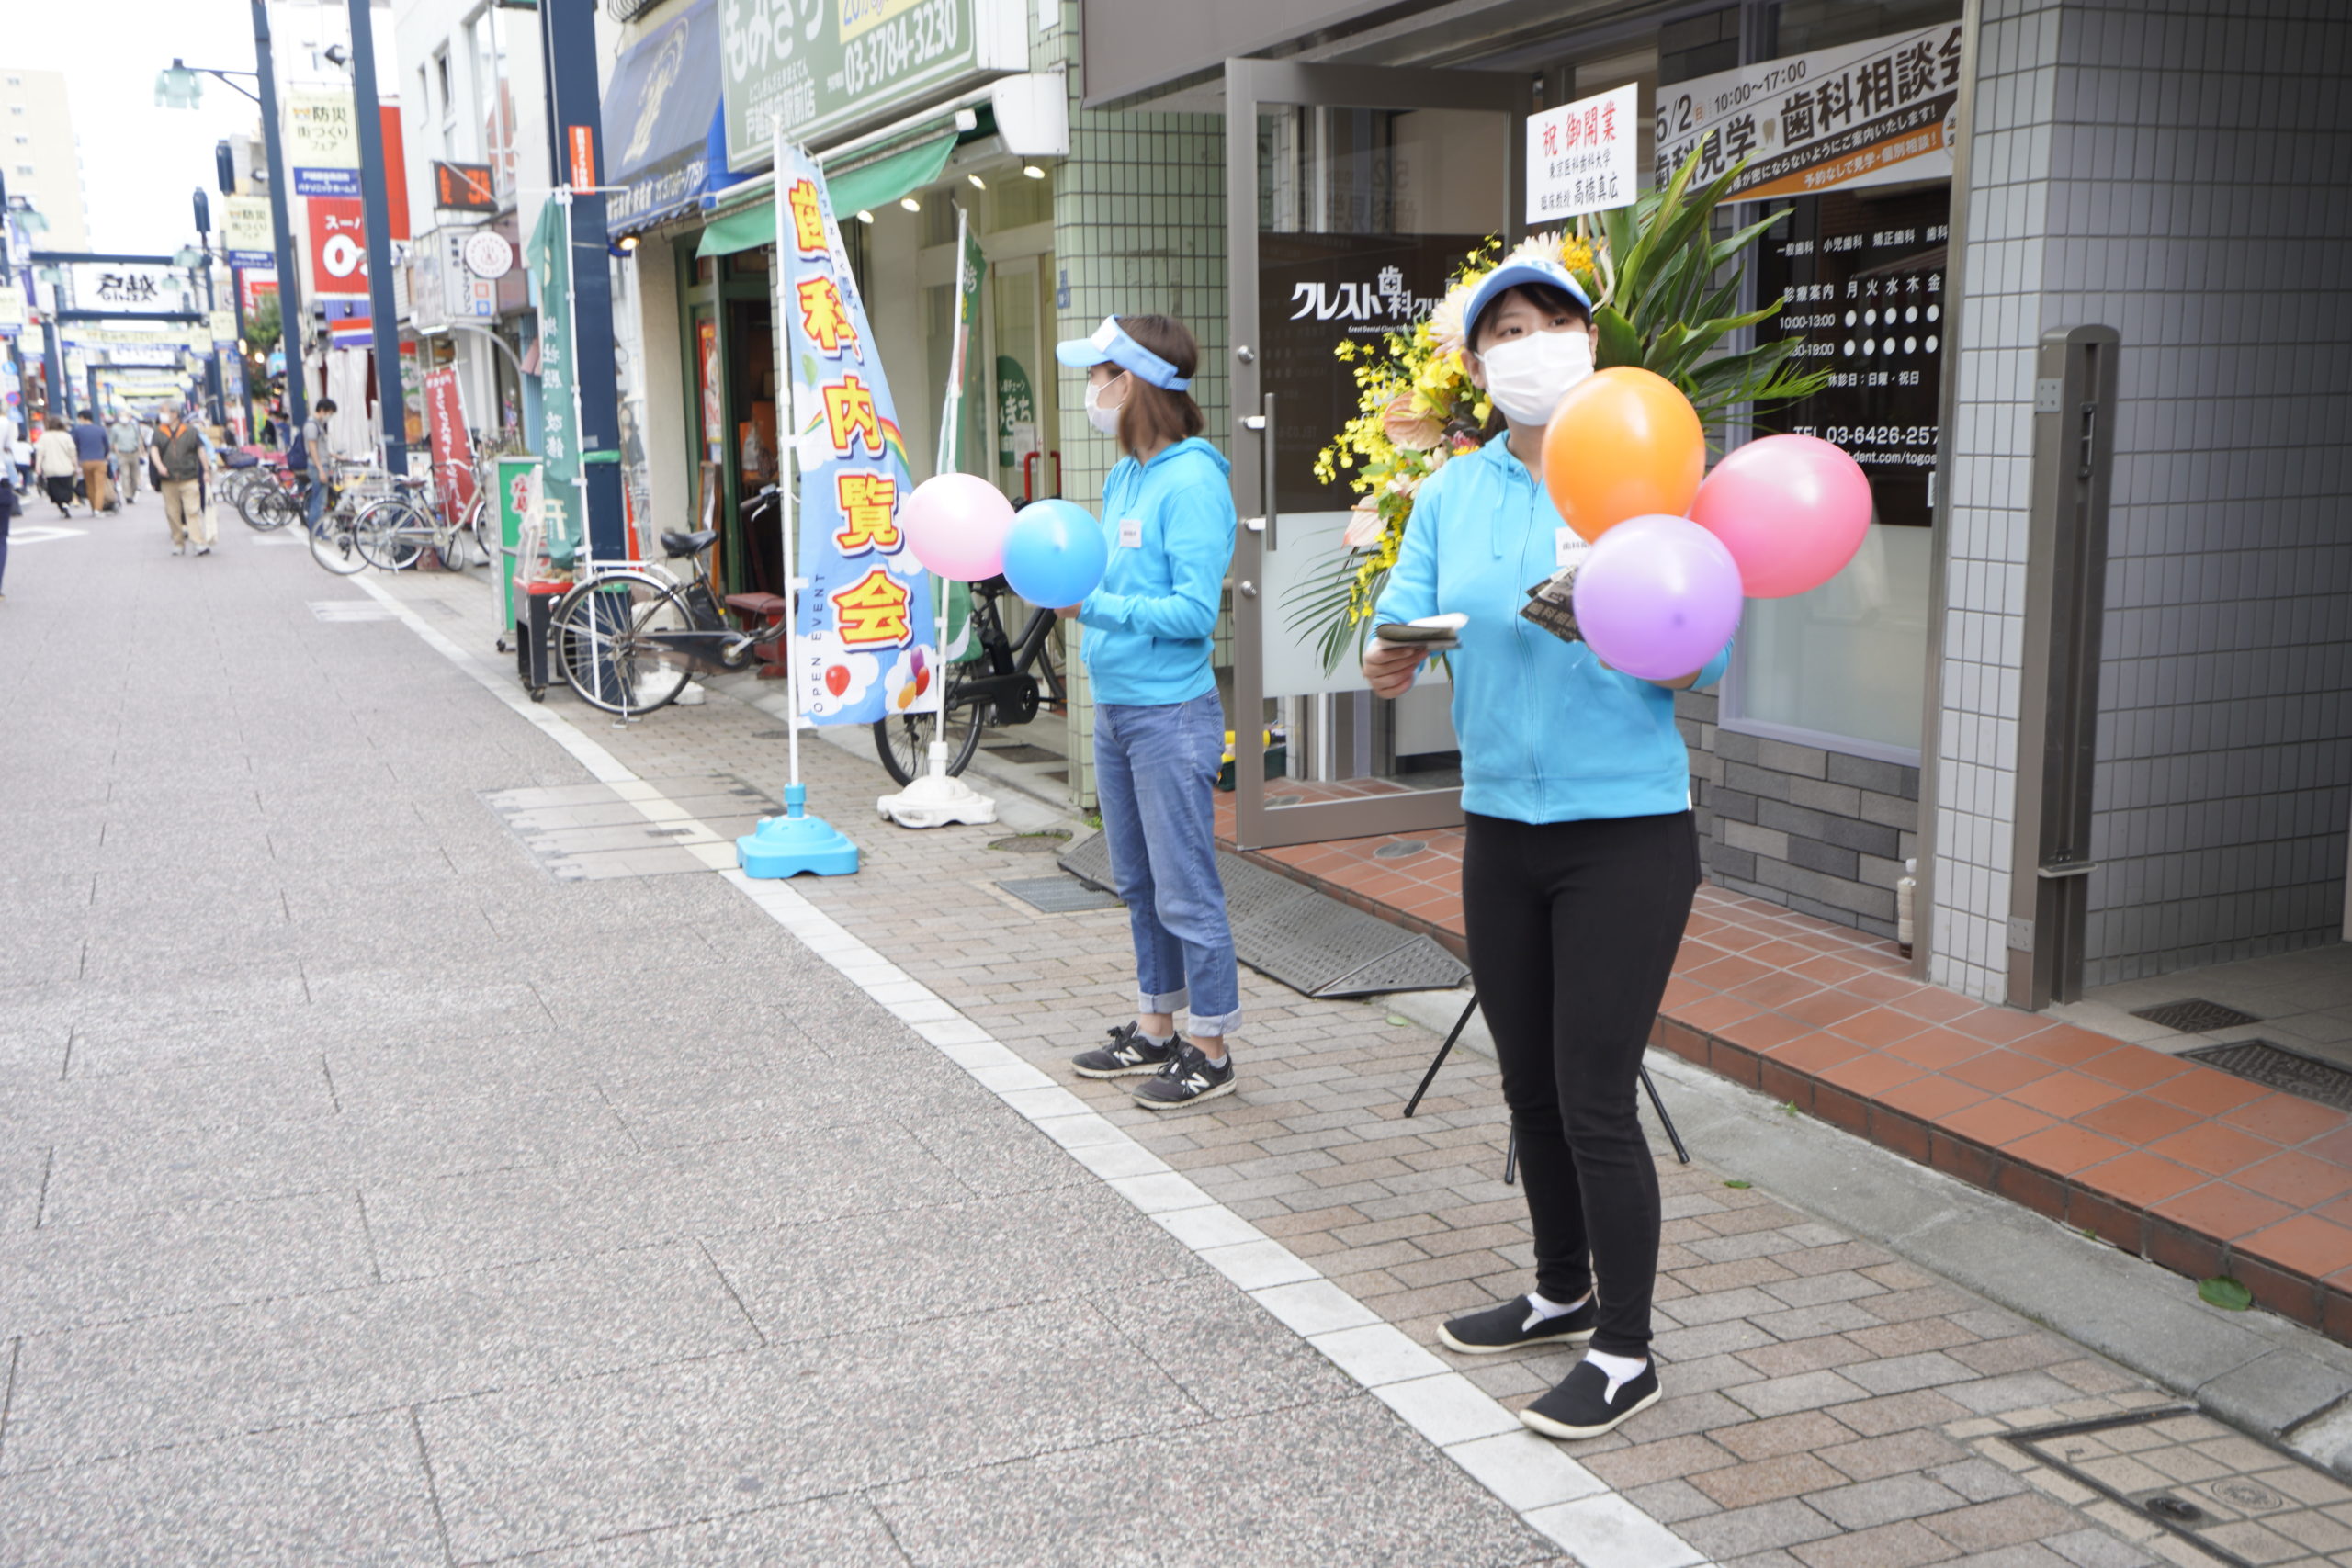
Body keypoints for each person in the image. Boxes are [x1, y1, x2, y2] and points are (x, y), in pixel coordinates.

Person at [1363, 257, 1731, 1443]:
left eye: (1553, 322)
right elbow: (1400, 614)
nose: (1534, 344)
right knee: (1526, 1080)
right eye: (1509, 329)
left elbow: (1704, 654)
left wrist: (1620, 622)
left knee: (1592, 1092)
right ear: (1477, 364)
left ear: (1588, 340)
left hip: (1624, 830)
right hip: (1498, 824)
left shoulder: (1645, 474)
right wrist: (1386, 655)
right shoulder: (1449, 492)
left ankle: (1625, 1350)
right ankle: (1559, 1287)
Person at [1054, 314, 1244, 1109]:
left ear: (1130, 384)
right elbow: (1114, 576)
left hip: (1170, 714)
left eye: (1098, 376)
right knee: (1137, 879)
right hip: (1118, 708)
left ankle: (1212, 1046)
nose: (1091, 390)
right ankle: (1157, 1026)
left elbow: (1195, 613)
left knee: (1185, 886)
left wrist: (1094, 607)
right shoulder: (1125, 475)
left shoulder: (1194, 482)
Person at [151, 406, 213, 556]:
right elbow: (154, 450)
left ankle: (198, 541)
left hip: (189, 477)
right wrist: (159, 466)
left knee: (192, 510)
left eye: (164, 411)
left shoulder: (190, 431)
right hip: (168, 479)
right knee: (172, 512)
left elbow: (201, 450)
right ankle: (178, 542)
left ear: (175, 413)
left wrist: (206, 470)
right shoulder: (158, 432)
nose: (162, 415)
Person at [300, 399, 337, 532]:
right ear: (322, 410)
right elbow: (313, 449)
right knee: (319, 502)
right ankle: (317, 532)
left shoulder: (317, 424)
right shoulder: (312, 426)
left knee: (319, 501)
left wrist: (334, 456)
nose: (329, 416)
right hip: (317, 467)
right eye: (329, 413)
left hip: (319, 466)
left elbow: (320, 448)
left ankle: (317, 531)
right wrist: (321, 470)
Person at [32, 420, 79, 517]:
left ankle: (61, 506)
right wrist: (76, 465)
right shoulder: (66, 436)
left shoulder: (44, 437)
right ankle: (66, 503)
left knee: (54, 489)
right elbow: (72, 452)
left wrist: (38, 466)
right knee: (67, 488)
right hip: (66, 467)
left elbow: (40, 453)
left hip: (50, 468)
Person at [71, 410, 112, 514]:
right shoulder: (100, 430)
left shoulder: (78, 431)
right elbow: (107, 446)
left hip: (85, 461)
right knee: (100, 487)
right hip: (99, 461)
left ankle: (93, 507)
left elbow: (75, 446)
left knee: (90, 486)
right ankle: (98, 509)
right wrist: (104, 455)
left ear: (82, 418)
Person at [109, 410, 146, 504]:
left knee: (134, 476)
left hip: (134, 453)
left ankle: (133, 493)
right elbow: (112, 442)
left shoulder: (134, 427)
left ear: (130, 417)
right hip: (122, 454)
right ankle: (128, 496)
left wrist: (141, 451)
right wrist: (116, 451)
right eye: (121, 416)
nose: (124, 418)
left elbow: (138, 439)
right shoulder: (115, 428)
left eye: (125, 416)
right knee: (125, 475)